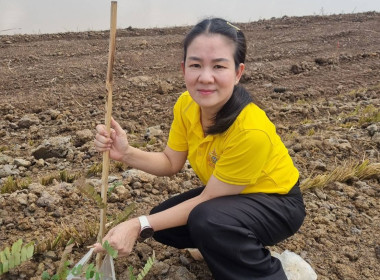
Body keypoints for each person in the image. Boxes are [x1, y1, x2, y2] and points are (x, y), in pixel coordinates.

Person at [94, 17, 306, 280]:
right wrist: (125, 153)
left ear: (238, 72)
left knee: (206, 220)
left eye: (219, 66)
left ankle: (271, 274)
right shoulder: (186, 105)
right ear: (183, 69)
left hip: (278, 203)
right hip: (232, 198)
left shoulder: (251, 130)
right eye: (196, 65)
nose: (206, 78)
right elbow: (171, 162)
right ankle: (227, 249)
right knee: (164, 223)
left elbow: (208, 201)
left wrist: (137, 225)